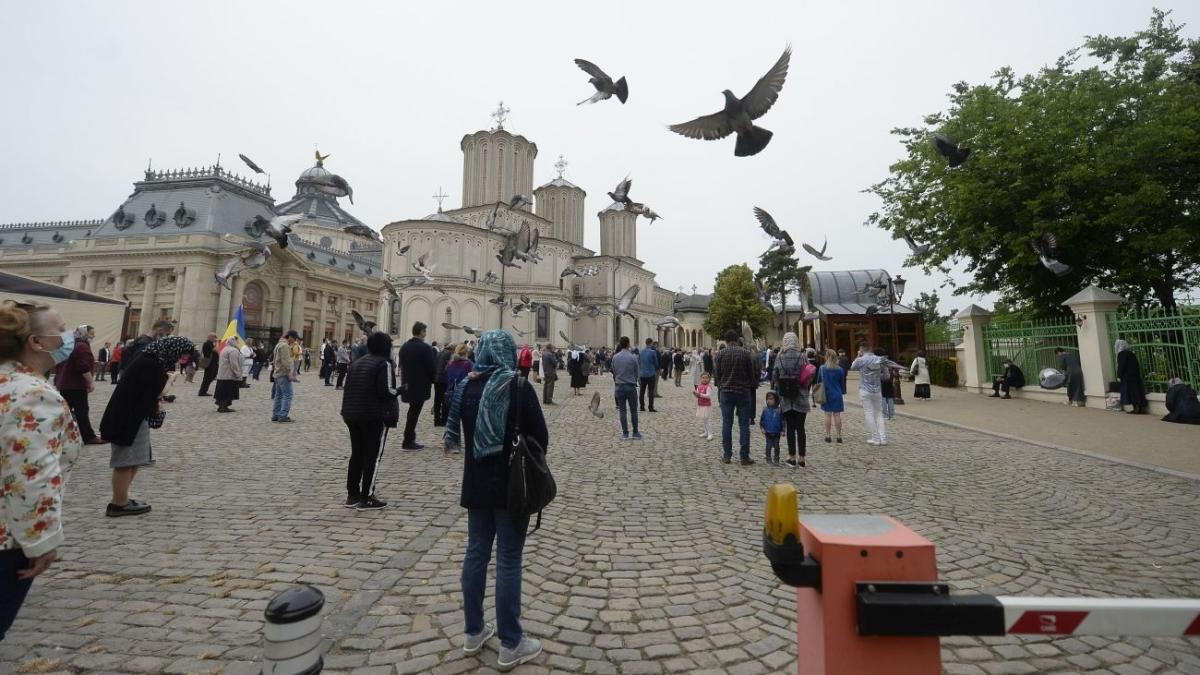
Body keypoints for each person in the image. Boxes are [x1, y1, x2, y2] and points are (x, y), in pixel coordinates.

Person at [442, 331, 546, 670]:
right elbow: (541, 438)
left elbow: (456, 426)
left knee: (475, 554)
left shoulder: (467, 387)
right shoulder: (517, 387)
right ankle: (511, 643)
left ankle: (473, 631)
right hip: (512, 486)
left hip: (475, 484)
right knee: (508, 561)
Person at [0, 300, 83, 640]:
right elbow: (30, 475)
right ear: (36, 342)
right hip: (7, 537)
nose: (68, 336)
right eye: (61, 329)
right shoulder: (34, 393)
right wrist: (41, 542)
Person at [100, 336, 193, 516]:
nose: (180, 358)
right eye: (181, 354)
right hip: (128, 418)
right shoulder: (152, 364)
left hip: (133, 416)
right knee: (125, 462)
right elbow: (159, 392)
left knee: (134, 460)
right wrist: (171, 380)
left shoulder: (149, 359)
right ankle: (119, 504)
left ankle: (122, 499)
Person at [340, 331, 399, 510]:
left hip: (351, 413)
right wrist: (401, 390)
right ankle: (367, 496)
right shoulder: (384, 364)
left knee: (357, 454)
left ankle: (352, 494)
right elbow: (386, 391)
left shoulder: (357, 363)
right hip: (372, 415)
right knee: (372, 456)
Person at [54, 324, 105, 446]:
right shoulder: (81, 346)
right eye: (92, 333)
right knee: (81, 411)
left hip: (65, 383)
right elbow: (82, 366)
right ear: (84, 333)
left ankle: (58, 435)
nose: (93, 336)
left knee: (66, 412)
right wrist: (90, 382)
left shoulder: (70, 343)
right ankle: (88, 437)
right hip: (75, 385)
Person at [714, 329, 758, 465]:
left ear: (726, 341)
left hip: (726, 392)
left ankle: (727, 455)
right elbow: (751, 374)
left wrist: (721, 385)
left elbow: (717, 375)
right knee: (744, 424)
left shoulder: (720, 354)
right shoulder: (745, 354)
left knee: (727, 424)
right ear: (737, 339)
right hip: (743, 392)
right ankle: (744, 456)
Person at [772, 333, 812, 467]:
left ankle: (791, 456)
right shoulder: (802, 356)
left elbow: (775, 376)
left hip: (786, 396)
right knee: (801, 428)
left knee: (789, 427)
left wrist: (781, 385)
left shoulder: (780, 356)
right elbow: (809, 375)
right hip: (801, 395)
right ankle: (802, 458)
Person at [398, 321, 436, 450]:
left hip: (407, 384)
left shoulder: (404, 347)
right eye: (424, 331)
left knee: (412, 412)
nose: (425, 334)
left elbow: (401, 365)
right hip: (420, 386)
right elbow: (431, 367)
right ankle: (408, 440)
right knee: (414, 413)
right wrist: (433, 380)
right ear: (421, 332)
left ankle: (409, 437)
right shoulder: (425, 348)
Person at [850, 341, 897, 446]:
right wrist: (876, 376)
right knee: (879, 414)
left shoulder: (860, 360)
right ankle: (883, 438)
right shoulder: (879, 359)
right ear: (870, 348)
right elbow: (886, 376)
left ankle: (875, 438)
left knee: (869, 413)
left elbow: (852, 367)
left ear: (861, 349)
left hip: (864, 389)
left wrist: (858, 356)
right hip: (877, 390)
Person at [611, 337, 642, 440]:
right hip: (630, 385)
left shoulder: (615, 357)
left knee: (622, 411)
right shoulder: (633, 357)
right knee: (633, 410)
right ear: (628, 344)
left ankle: (625, 433)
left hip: (619, 385)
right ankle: (635, 432)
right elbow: (637, 373)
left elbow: (614, 371)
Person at [818, 349, 846, 444]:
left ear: (826, 357)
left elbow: (818, 381)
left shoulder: (822, 368)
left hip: (826, 394)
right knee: (837, 415)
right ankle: (838, 436)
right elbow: (842, 383)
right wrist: (842, 391)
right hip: (837, 394)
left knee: (827, 414)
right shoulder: (840, 369)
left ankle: (828, 435)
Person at [271, 331, 300, 423]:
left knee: (278, 395)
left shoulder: (279, 344)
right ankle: (283, 415)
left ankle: (275, 415)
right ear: (290, 337)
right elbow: (285, 362)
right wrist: (289, 374)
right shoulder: (285, 346)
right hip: (283, 374)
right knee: (288, 395)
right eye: (295, 339)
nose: (295, 341)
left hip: (278, 373)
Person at [1115, 340, 1149, 414]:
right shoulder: (1131, 353)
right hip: (1135, 376)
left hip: (1127, 378)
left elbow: (1121, 366)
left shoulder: (1121, 354)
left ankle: (1136, 409)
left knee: (1131, 393)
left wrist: (1119, 375)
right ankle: (1139, 408)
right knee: (1137, 392)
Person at [214, 336, 245, 413]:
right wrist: (237, 373)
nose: (237, 343)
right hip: (229, 375)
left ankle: (221, 406)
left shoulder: (224, 349)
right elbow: (234, 363)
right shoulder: (233, 351)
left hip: (222, 375)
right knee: (227, 392)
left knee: (222, 391)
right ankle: (223, 407)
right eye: (236, 341)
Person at [433, 343, 455, 426]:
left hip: (437, 379)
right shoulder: (449, 354)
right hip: (444, 380)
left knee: (437, 400)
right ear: (452, 349)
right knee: (445, 401)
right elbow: (450, 367)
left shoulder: (439, 353)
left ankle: (436, 419)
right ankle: (444, 420)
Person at [759, 392, 783, 465]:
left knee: (776, 446)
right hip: (768, 432)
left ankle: (776, 459)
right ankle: (768, 458)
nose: (769, 401)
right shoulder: (765, 410)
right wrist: (762, 428)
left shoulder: (779, 410)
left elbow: (783, 421)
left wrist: (783, 430)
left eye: (771, 399)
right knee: (768, 446)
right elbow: (761, 421)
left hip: (777, 432)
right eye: (767, 399)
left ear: (776, 400)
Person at [638, 338, 658, 412]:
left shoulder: (641, 351)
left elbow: (639, 361)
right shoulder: (652, 352)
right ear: (651, 343)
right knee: (651, 391)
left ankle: (642, 406)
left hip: (642, 374)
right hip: (651, 373)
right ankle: (650, 407)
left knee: (642, 391)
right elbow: (655, 362)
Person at [197, 332, 219, 396]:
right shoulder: (207, 343)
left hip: (213, 363)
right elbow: (216, 350)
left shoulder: (211, 343)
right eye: (215, 337)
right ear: (211, 337)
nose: (216, 338)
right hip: (209, 363)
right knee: (207, 378)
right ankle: (202, 392)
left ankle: (203, 390)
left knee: (212, 376)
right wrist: (217, 343)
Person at [878, 349, 897, 420]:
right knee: (890, 397)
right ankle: (892, 414)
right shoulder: (889, 361)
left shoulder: (880, 362)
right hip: (890, 381)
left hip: (883, 381)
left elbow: (880, 373)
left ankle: (885, 414)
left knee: (883, 398)